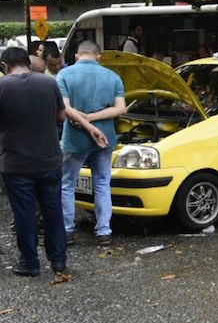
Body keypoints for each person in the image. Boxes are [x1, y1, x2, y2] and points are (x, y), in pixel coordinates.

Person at [0, 47, 105, 277]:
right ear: (27, 62)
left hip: (16, 163)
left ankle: (30, 263)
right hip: (49, 160)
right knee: (53, 211)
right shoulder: (49, 83)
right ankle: (59, 261)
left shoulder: (3, 86)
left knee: (25, 214)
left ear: (5, 66)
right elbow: (60, 116)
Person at [57, 41, 127, 246]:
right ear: (99, 56)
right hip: (104, 137)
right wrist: (94, 118)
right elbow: (121, 108)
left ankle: (67, 230)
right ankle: (104, 231)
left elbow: (65, 107)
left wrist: (83, 119)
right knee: (103, 182)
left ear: (77, 56)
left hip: (74, 138)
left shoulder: (64, 75)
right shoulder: (113, 77)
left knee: (67, 183)